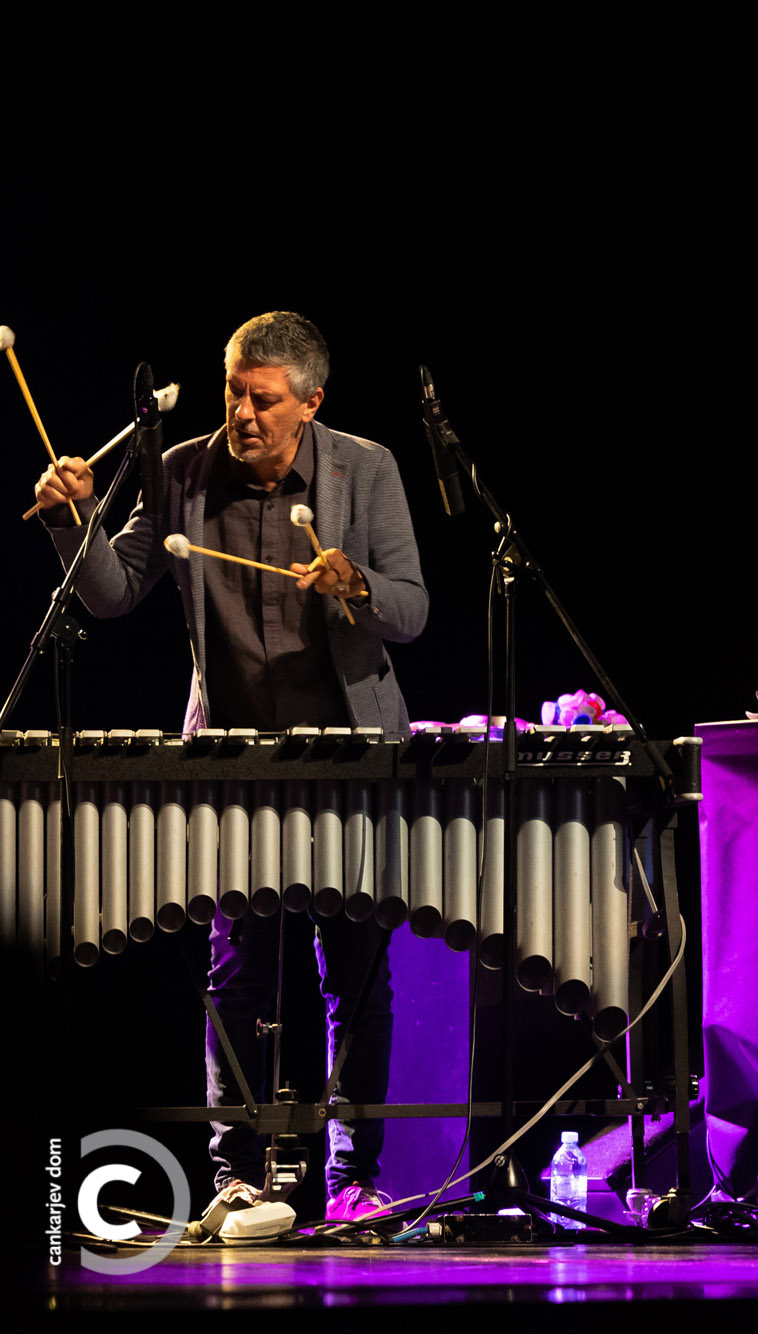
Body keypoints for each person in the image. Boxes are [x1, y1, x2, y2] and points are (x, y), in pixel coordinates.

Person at [35, 311, 428, 1225]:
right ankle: (235, 1174)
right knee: (237, 978)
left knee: (356, 978)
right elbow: (113, 590)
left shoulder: (366, 469)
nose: (242, 415)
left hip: (350, 761)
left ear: (311, 403)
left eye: (264, 400)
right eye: (233, 393)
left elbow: (411, 611)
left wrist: (357, 586)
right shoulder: (181, 473)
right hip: (235, 763)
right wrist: (73, 522)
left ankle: (353, 1177)